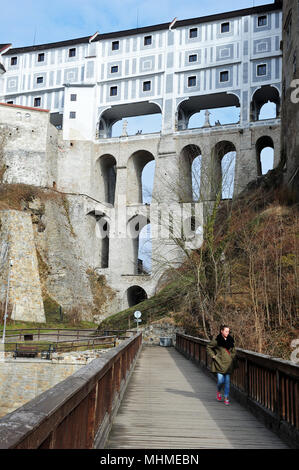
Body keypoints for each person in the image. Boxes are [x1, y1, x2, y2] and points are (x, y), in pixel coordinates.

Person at [206, 324, 237, 406]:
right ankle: (219, 391)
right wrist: (213, 356)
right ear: (221, 331)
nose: (227, 333)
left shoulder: (231, 340)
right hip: (219, 363)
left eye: (228, 331)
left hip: (228, 364)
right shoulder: (217, 340)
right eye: (226, 331)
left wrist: (232, 357)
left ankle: (226, 397)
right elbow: (208, 347)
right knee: (220, 381)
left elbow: (234, 350)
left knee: (227, 382)